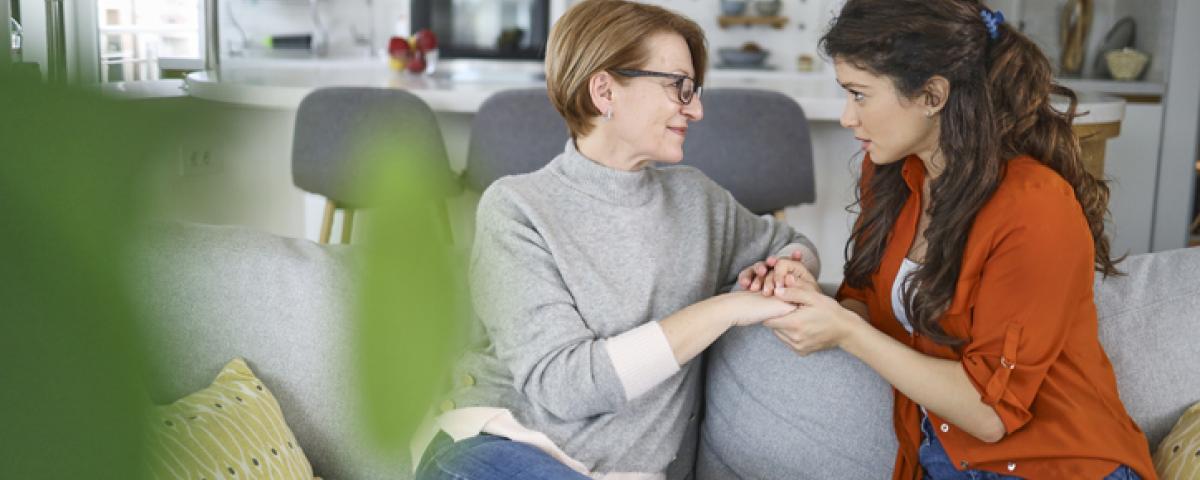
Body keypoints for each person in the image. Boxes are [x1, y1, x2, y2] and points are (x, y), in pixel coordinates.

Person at [412, 1, 819, 478]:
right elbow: (564, 387)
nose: (697, 108)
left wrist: (790, 268)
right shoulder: (517, 209)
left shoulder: (698, 201)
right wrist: (726, 308)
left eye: (694, 89)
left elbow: (792, 244)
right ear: (605, 90)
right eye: (678, 87)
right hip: (498, 446)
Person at [751, 0, 1157, 478]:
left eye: (859, 95)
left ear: (932, 96)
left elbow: (989, 413)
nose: (847, 117)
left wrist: (846, 332)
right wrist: (809, 298)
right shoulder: (892, 175)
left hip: (1055, 465)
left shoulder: (1035, 207)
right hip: (937, 459)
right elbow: (865, 296)